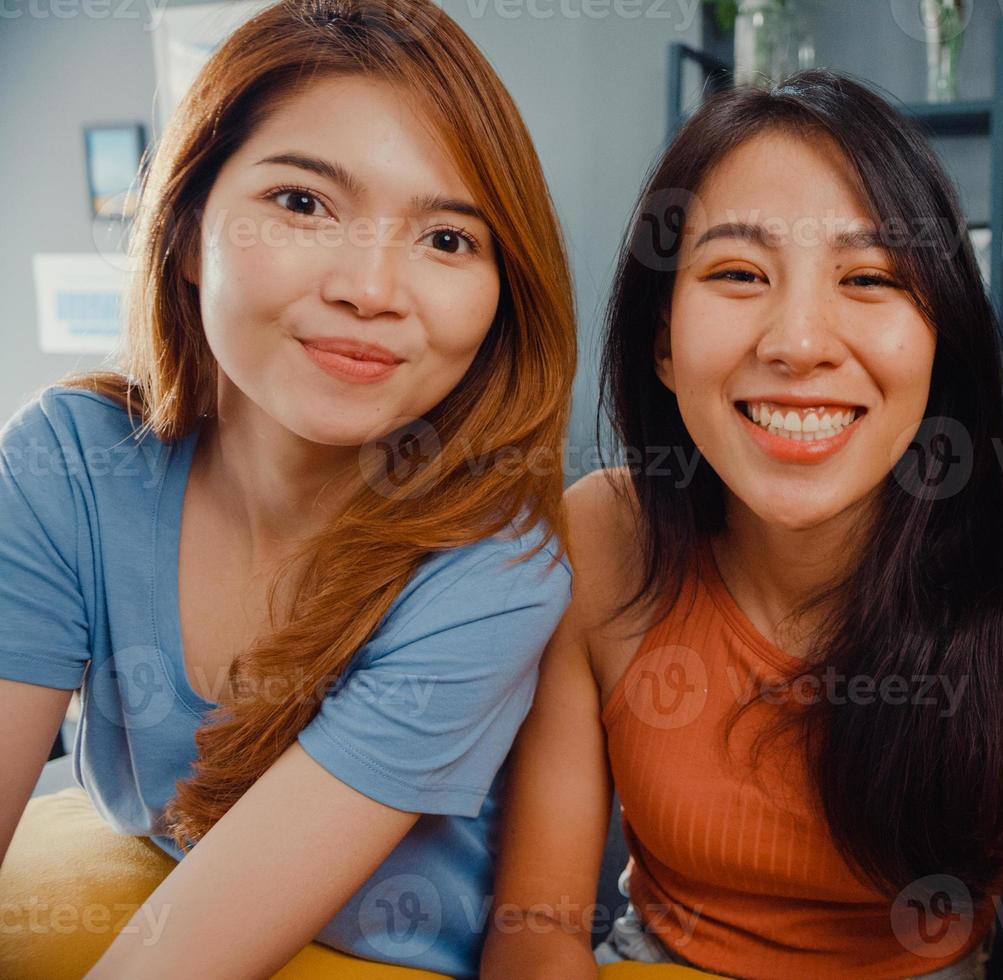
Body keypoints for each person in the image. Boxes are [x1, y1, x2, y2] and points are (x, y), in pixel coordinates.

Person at [483, 71, 1003, 980]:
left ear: (940, 340)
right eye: (737, 273)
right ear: (664, 346)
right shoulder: (598, 537)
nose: (798, 342)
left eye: (869, 277)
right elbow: (536, 927)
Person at [0, 1, 576, 975]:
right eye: (303, 203)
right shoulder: (69, 458)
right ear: (185, 233)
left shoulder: (495, 567)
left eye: (446, 240)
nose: (371, 287)